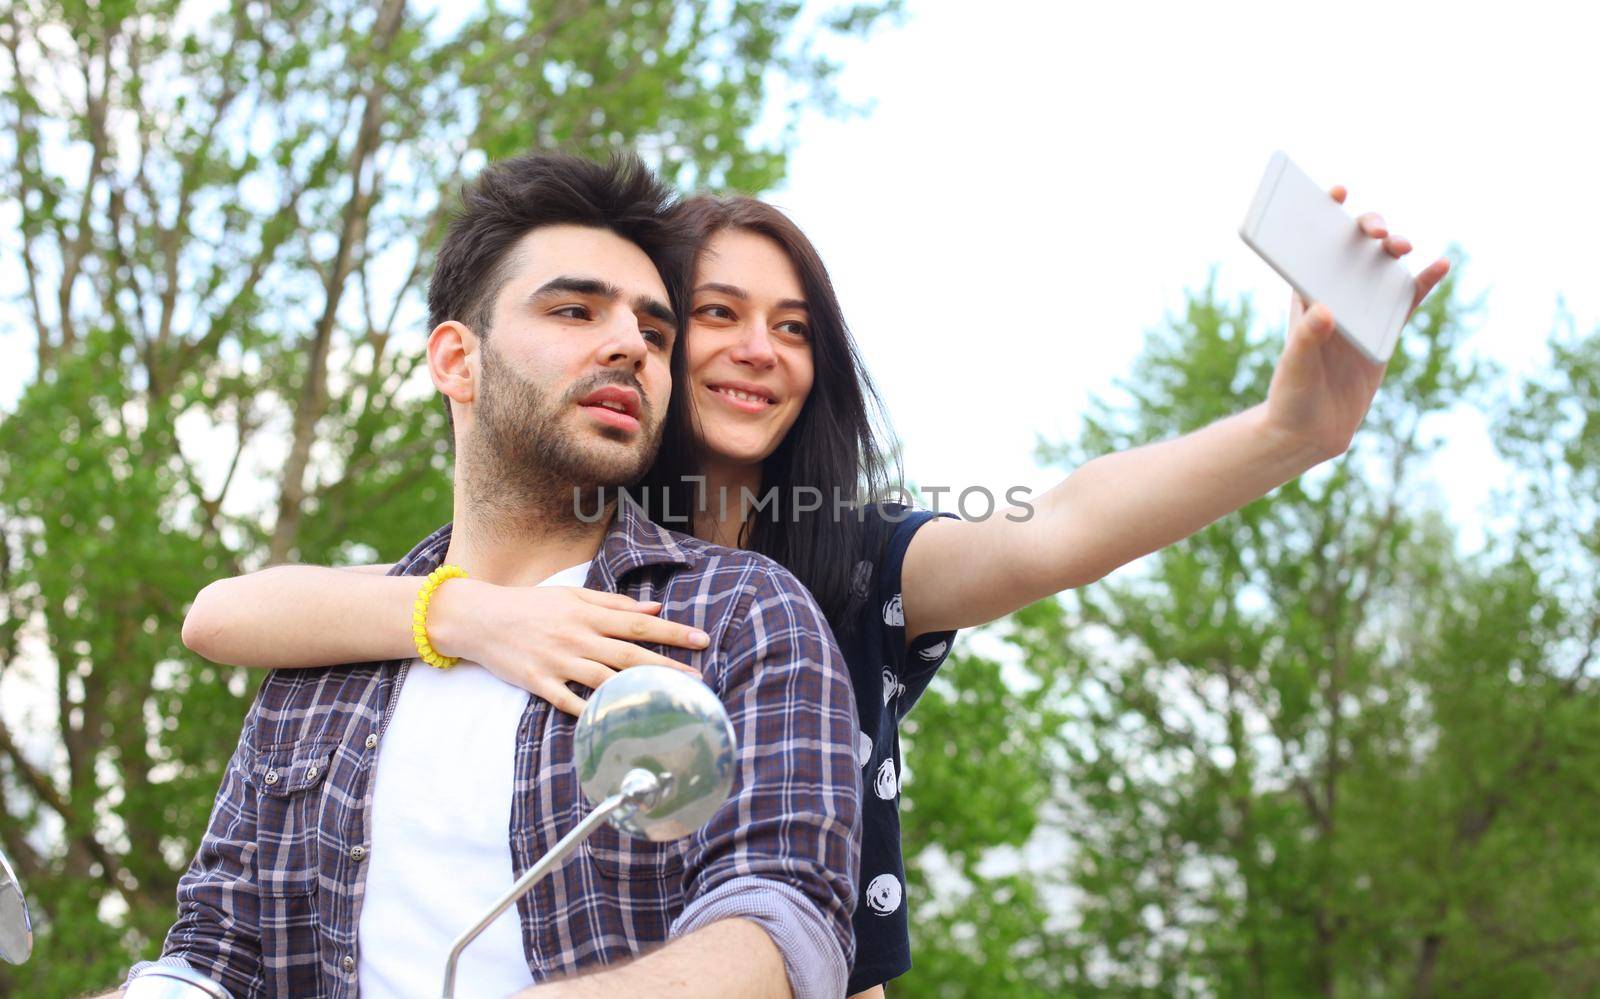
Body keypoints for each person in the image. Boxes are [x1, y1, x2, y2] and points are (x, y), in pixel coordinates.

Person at [182, 177, 1450, 994]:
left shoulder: (834, 569)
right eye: (714, 313)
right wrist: (465, 614)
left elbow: (1055, 522)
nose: (754, 352)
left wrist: (1292, 432)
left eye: (793, 328)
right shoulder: (525, 553)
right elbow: (232, 615)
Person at [120, 152, 863, 999]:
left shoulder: (737, 613)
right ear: (456, 361)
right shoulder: (332, 650)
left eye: (656, 334)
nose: (630, 345)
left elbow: (778, 925)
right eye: (576, 309)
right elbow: (214, 955)